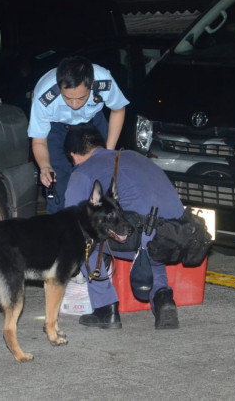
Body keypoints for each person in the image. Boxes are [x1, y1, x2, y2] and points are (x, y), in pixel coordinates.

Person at [63, 123, 184, 330]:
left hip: (141, 237)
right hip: (177, 234)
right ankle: (163, 298)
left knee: (80, 236)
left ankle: (105, 308)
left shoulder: (82, 171)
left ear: (74, 155)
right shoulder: (135, 156)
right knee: (150, 237)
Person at [28, 55, 129, 213]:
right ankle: (58, 229)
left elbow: (118, 110)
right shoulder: (44, 96)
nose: (74, 104)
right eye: (68, 98)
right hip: (57, 129)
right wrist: (45, 167)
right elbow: (39, 141)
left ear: (91, 85)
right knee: (57, 181)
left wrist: (107, 152)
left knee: (98, 178)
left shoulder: (104, 82)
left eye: (81, 98)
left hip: (92, 123)